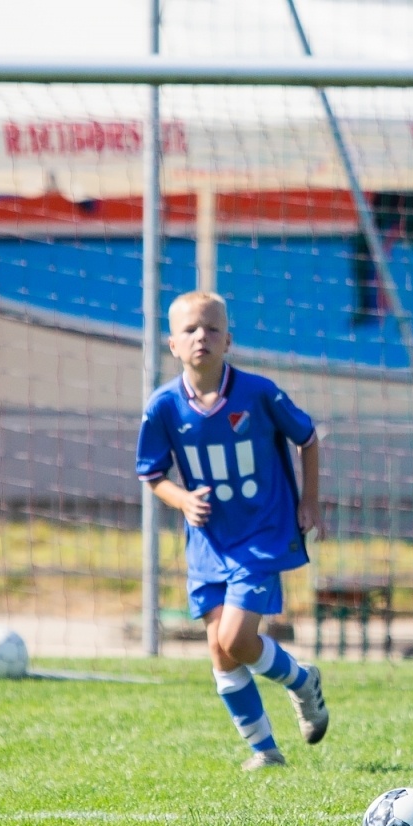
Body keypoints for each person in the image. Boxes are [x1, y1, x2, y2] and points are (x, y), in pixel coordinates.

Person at [136, 292, 328, 771]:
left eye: (212, 328)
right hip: (208, 542)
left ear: (228, 340)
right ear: (172, 345)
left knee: (238, 639)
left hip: (262, 534)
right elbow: (152, 473)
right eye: (189, 330)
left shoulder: (258, 393)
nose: (201, 336)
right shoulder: (162, 407)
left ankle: (302, 682)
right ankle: (264, 750)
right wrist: (182, 500)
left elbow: (307, 439)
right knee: (220, 652)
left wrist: (309, 502)